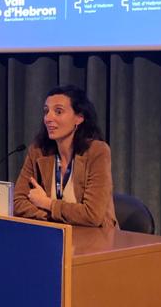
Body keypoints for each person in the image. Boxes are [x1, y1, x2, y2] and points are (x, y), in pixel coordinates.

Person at [13, 84, 116, 227]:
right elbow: (17, 203)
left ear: (79, 118)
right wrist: (55, 217)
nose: (48, 118)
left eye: (58, 111)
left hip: (95, 236)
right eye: (46, 111)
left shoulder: (97, 152)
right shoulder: (37, 151)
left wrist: (47, 204)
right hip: (54, 235)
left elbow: (92, 215)